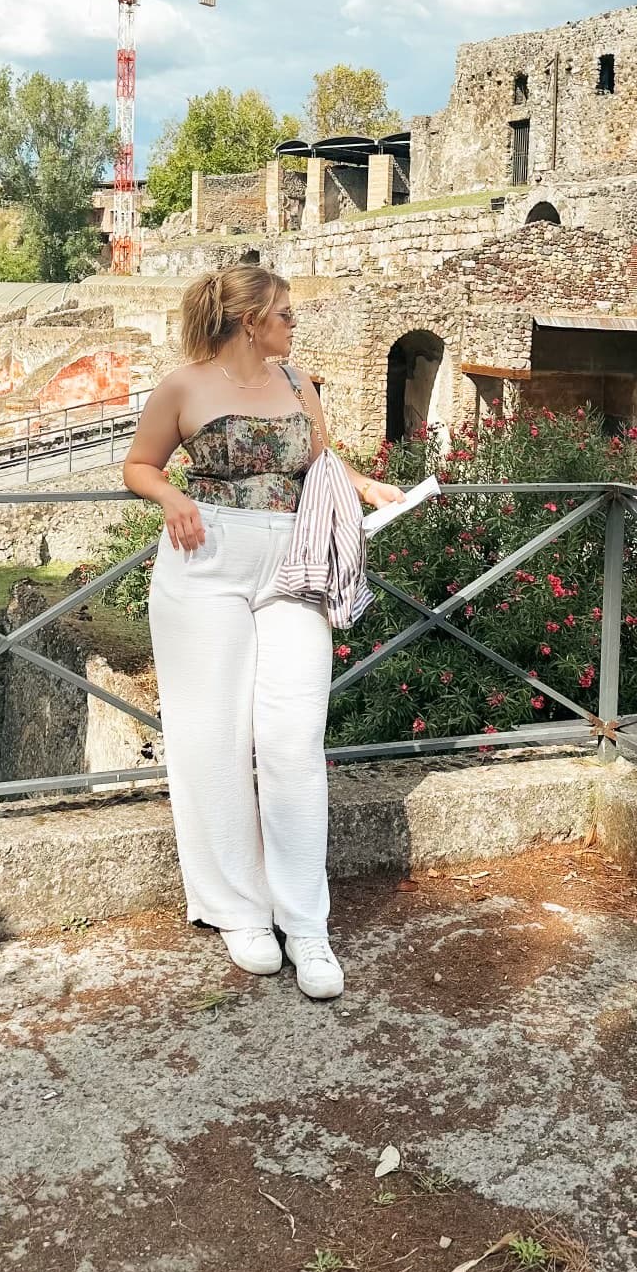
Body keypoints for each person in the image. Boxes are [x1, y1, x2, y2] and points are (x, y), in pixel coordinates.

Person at [123, 266, 403, 1000]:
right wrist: (171, 495)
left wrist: (364, 485)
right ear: (250, 320)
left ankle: (305, 923)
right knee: (209, 737)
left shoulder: (298, 384)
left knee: (292, 738)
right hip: (203, 561)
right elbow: (137, 464)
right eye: (284, 313)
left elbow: (318, 461)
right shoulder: (183, 387)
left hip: (291, 562)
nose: (292, 323)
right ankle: (238, 910)